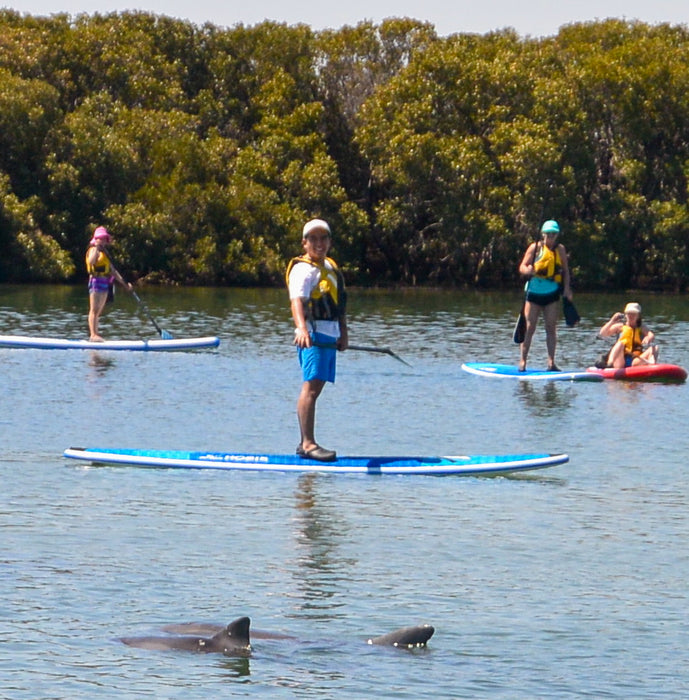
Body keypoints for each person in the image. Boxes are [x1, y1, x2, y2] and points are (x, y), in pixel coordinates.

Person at [286, 219, 348, 462]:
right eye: (313, 239)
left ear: (329, 242)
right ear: (304, 243)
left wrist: (344, 333)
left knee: (317, 386)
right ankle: (308, 444)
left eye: (324, 238)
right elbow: (297, 302)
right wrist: (301, 329)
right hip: (312, 336)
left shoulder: (331, 268)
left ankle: (305, 443)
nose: (319, 243)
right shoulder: (303, 270)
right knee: (310, 387)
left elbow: (339, 304)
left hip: (329, 335)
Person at [517, 219, 572, 371]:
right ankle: (523, 361)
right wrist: (527, 270)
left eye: (554, 234)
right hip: (534, 293)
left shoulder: (560, 250)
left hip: (551, 294)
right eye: (548, 234)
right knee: (529, 327)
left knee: (551, 327)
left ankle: (551, 362)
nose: (551, 237)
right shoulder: (535, 248)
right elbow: (522, 266)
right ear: (543, 234)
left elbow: (566, 271)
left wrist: (567, 289)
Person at [85, 226, 131, 341]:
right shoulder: (92, 250)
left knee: (99, 311)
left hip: (105, 283)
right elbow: (91, 261)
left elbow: (113, 271)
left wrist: (125, 284)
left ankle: (96, 334)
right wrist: (96, 247)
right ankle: (93, 335)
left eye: (105, 239)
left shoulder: (105, 254)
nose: (103, 241)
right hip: (95, 281)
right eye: (101, 238)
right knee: (94, 310)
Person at [598, 302, 658, 368]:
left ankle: (652, 366)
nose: (631, 316)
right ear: (625, 315)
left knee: (655, 348)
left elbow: (651, 334)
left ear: (638, 316)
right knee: (620, 343)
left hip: (635, 360)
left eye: (634, 314)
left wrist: (648, 338)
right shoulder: (620, 326)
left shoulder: (641, 327)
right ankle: (609, 364)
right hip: (621, 360)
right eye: (629, 313)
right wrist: (612, 321)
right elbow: (602, 333)